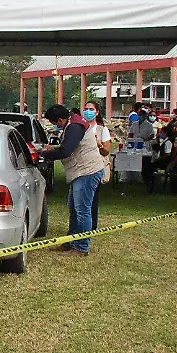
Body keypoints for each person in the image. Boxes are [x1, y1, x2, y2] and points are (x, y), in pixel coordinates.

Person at [40, 104, 105, 257]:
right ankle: (71, 241)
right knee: (75, 209)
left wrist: (45, 154)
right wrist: (52, 147)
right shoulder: (72, 124)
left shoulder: (74, 127)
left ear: (62, 119)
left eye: (56, 123)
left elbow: (66, 151)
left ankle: (81, 247)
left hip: (87, 172)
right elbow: (68, 145)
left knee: (82, 210)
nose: (56, 126)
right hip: (80, 172)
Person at [83, 101, 111, 229]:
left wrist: (99, 144)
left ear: (97, 112)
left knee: (92, 199)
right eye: (86, 109)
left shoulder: (102, 129)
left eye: (91, 109)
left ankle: (92, 226)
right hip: (81, 166)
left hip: (95, 167)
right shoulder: (80, 127)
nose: (88, 111)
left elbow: (106, 151)